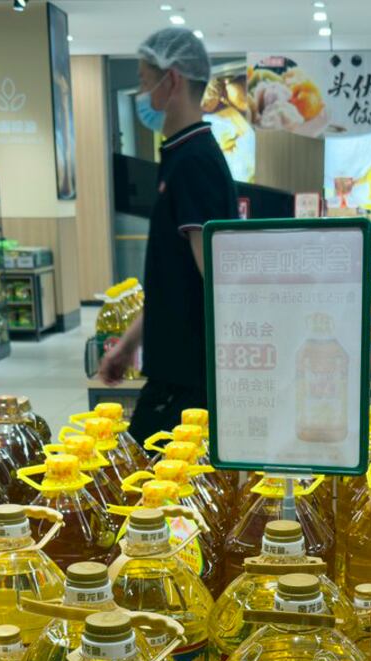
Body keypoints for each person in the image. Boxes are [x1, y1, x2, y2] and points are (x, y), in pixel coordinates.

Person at [97, 27, 236, 442]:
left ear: (171, 79)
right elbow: (174, 283)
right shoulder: (181, 155)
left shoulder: (194, 162)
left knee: (157, 495)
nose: (144, 95)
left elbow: (217, 280)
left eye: (144, 81)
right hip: (174, 373)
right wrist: (128, 345)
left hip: (186, 382)